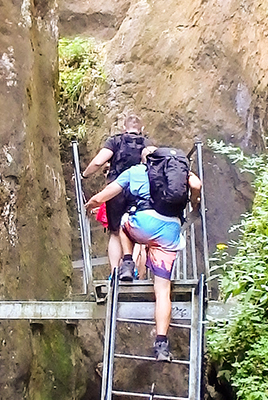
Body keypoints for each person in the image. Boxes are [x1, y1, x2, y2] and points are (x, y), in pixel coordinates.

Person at [85, 146, 201, 362]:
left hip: (143, 225)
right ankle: (161, 344)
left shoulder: (137, 171)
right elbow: (196, 185)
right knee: (163, 290)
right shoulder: (178, 173)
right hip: (170, 233)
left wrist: (92, 202)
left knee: (122, 223)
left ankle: (127, 262)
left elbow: (108, 193)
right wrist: (194, 203)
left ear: (145, 159)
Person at [82, 113, 148, 272]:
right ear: (142, 129)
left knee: (115, 232)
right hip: (139, 192)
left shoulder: (115, 141)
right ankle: (137, 274)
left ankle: (115, 273)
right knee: (138, 236)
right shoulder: (147, 143)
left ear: (124, 127)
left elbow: (98, 161)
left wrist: (83, 175)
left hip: (115, 191)